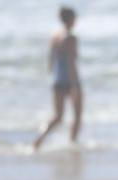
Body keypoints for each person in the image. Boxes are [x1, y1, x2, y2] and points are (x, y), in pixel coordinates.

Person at [33, 6, 82, 150]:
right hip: (71, 81)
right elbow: (72, 62)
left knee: (58, 117)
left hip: (57, 80)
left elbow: (50, 63)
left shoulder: (55, 36)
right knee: (77, 115)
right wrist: (74, 86)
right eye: (75, 18)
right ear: (71, 19)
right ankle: (73, 142)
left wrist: (55, 77)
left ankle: (39, 140)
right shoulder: (71, 38)